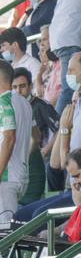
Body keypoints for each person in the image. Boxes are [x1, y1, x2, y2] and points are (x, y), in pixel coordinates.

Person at [0, 61, 31, 221]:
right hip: (20, 175)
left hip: (5, 178)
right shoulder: (24, 102)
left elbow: (9, 138)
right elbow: (36, 136)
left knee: (4, 235)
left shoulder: (3, 101)